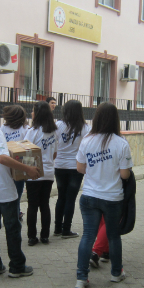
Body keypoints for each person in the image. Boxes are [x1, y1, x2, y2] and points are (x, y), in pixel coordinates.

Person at [0, 97, 41, 278]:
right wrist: (27, 168)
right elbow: (2, 158)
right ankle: (17, 266)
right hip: (3, 188)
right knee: (12, 227)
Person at [74, 103, 133, 288]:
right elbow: (125, 175)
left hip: (90, 195)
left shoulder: (86, 141)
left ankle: (81, 278)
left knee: (88, 235)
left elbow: (80, 168)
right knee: (114, 236)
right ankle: (116, 273)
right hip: (113, 198)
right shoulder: (121, 144)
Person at [54, 100, 90, 238]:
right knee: (70, 199)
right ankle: (66, 230)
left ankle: (57, 228)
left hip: (60, 165)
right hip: (75, 167)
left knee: (61, 197)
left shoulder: (58, 125)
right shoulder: (85, 128)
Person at [24, 101, 58, 246]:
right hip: (49, 172)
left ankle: (32, 237)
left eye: (33, 111)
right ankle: (45, 236)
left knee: (32, 205)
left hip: (34, 172)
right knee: (44, 204)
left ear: (37, 114)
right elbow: (55, 153)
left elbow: (26, 152)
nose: (31, 113)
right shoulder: (54, 131)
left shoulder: (32, 132)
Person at [0, 105, 29, 220]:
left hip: (7, 163)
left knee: (11, 192)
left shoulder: (3, 128)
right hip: (19, 164)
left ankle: (15, 212)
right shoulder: (25, 129)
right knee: (17, 192)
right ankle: (15, 214)